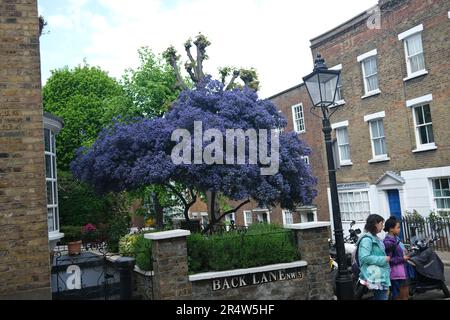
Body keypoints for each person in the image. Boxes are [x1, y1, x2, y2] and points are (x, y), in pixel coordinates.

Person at [357, 214, 391, 300]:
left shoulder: (375, 238)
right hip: (375, 275)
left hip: (379, 274)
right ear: (375, 224)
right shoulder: (367, 239)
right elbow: (364, 257)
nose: (383, 226)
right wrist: (383, 259)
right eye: (381, 224)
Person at [383, 216, 410, 300]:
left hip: (402, 272)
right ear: (391, 229)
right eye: (398, 227)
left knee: (405, 296)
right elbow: (388, 259)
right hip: (396, 274)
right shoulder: (388, 242)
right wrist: (403, 258)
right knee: (399, 297)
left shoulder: (395, 239)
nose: (399, 229)